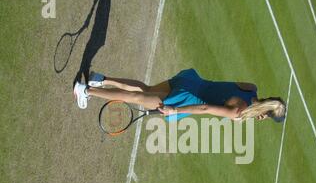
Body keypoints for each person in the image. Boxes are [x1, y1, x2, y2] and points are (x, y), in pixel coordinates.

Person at [73, 68, 286, 122]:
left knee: (145, 90)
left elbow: (225, 93)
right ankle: (86, 90)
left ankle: (100, 79)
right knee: (138, 99)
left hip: (191, 81)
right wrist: (176, 110)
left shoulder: (251, 88)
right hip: (187, 98)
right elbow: (206, 108)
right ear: (264, 114)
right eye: (267, 117)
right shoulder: (239, 113)